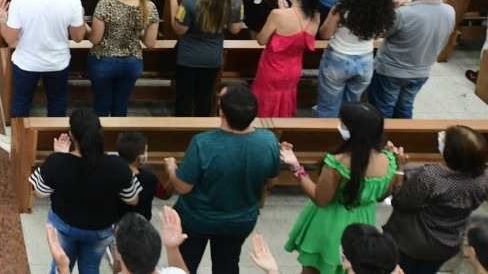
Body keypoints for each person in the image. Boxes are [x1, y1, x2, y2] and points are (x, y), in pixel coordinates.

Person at [165, 82, 280, 274]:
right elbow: (271, 181)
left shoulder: (203, 143)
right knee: (227, 264)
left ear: (222, 113)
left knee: (185, 265)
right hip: (240, 220)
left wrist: (171, 170)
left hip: (197, 219)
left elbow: (183, 187)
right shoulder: (268, 141)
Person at [282, 102, 398, 274]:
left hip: (329, 223)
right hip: (363, 223)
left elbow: (320, 199)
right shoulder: (389, 160)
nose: (340, 125)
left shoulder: (337, 163)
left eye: (343, 123)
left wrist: (296, 168)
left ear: (353, 130)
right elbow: (382, 196)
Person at [0, 0, 87, 150]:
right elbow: (78, 38)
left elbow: (10, 39)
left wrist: (2, 19)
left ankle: (16, 143)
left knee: (21, 102)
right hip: (58, 62)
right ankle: (55, 143)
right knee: (57, 103)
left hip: (27, 62)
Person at [29, 109, 141, 273]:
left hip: (64, 225)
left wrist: (60, 155)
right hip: (100, 229)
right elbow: (133, 199)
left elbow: (39, 192)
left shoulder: (57, 162)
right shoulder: (118, 165)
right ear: (99, 134)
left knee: (61, 265)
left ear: (71, 135)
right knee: (90, 267)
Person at [384, 125, 488, 273]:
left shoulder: (431, 176)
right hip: (447, 244)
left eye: (445, 139)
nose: (440, 136)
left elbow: (401, 201)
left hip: (410, 243)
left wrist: (399, 169)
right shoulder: (483, 178)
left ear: (451, 154)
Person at [365, 0, 454, 119]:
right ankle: (402, 138)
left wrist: (392, 9)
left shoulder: (404, 14)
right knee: (405, 107)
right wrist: (410, 2)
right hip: (421, 71)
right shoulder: (449, 11)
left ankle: (382, 140)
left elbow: (380, 32)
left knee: (382, 109)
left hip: (391, 71)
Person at [166, 0, 244, 116]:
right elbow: (235, 29)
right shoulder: (234, 0)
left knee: (184, 99)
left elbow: (179, 30)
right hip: (212, 58)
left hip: (187, 57)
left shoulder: (190, 1)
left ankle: (179, 135)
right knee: (205, 99)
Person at [314, 0, 397, 116]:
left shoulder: (342, 8)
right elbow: (381, 34)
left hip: (338, 58)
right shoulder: (384, 11)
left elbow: (325, 34)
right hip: (365, 60)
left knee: (328, 107)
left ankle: (326, 136)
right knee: (352, 107)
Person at [86, 0, 157, 117]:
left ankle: (99, 138)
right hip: (132, 62)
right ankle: (118, 137)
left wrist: (85, 27)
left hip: (104, 60)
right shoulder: (149, 7)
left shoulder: (105, 4)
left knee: (101, 105)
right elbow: (150, 43)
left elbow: (95, 39)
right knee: (121, 104)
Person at [249, 0, 320, 117]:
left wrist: (281, 10)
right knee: (284, 103)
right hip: (293, 70)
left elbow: (261, 39)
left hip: (272, 68)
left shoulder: (278, 14)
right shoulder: (315, 16)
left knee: (265, 103)